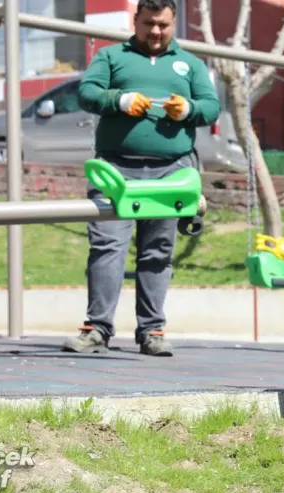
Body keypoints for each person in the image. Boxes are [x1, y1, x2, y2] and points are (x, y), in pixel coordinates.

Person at [62, 0, 220, 357]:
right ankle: (96, 329)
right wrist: (120, 100)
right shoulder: (111, 56)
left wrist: (190, 109)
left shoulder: (191, 64)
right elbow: (86, 93)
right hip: (115, 169)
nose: (156, 32)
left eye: (163, 25)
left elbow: (211, 107)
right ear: (136, 20)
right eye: (149, 23)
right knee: (106, 246)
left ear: (173, 22)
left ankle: (152, 331)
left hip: (170, 172)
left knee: (158, 252)